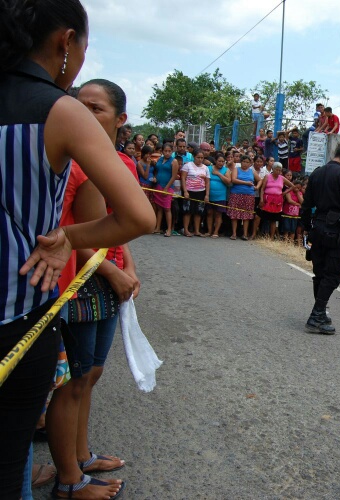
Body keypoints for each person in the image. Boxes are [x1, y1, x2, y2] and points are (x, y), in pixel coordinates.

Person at [0, 2, 154, 495]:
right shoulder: (57, 111)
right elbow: (138, 217)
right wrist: (68, 238)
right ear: (66, 42)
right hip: (20, 307)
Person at [48, 78, 144, 500]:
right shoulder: (77, 163)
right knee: (72, 381)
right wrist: (113, 271)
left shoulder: (120, 163)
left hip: (108, 277)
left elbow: (119, 226)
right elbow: (78, 236)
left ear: (121, 119)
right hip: (82, 282)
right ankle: (69, 479)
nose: (83, 114)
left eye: (97, 108)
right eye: (79, 104)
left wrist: (130, 265)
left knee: (92, 374)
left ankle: (82, 456)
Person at [301, 144, 340, 335]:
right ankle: (317, 314)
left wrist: (305, 227)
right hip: (335, 231)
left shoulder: (317, 173)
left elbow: (306, 204)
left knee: (320, 272)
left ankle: (319, 313)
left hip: (316, 228)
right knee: (334, 271)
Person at [258, 162, 294, 241]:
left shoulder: (282, 178)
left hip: (277, 200)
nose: (278, 172)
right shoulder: (267, 176)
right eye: (276, 170)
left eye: (279, 170)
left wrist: (284, 193)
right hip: (267, 199)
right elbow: (262, 189)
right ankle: (264, 234)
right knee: (265, 218)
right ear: (273, 169)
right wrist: (261, 199)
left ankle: (271, 237)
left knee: (274, 220)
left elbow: (292, 186)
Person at [228, 155, 260, 241]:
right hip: (236, 194)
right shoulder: (236, 169)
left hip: (249, 195)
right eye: (244, 162)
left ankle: (245, 234)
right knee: (234, 214)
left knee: (246, 215)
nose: (245, 164)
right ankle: (234, 233)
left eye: (247, 162)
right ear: (241, 162)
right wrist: (246, 183)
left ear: (250, 164)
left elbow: (260, 180)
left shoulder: (252, 171)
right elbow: (233, 180)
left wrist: (257, 187)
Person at [180, 150, 210, 237]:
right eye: (198, 157)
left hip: (201, 192)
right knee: (187, 211)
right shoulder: (187, 166)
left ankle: (197, 230)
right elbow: (183, 178)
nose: (200, 159)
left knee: (198, 212)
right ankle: (186, 230)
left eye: (202, 158)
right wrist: (185, 191)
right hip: (189, 191)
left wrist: (207, 195)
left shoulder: (205, 168)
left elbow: (207, 182)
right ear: (194, 157)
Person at [153, 143, 180, 236]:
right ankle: (157, 227)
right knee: (159, 208)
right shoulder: (160, 159)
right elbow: (157, 171)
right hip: (158, 186)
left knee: (167, 209)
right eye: (165, 151)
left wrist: (166, 188)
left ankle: (169, 229)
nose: (167, 153)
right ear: (162, 151)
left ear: (172, 152)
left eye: (169, 151)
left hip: (167, 188)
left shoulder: (174, 161)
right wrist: (155, 178)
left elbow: (173, 177)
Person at [206, 153, 232, 238]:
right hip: (209, 194)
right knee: (209, 213)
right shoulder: (209, 168)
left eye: (222, 161)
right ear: (215, 161)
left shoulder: (226, 170)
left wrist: (218, 174)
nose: (221, 163)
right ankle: (209, 231)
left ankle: (216, 232)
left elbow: (228, 181)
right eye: (219, 161)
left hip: (220, 196)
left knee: (218, 214)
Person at [281, 179, 304, 243]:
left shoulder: (299, 193)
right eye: (296, 187)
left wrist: (297, 193)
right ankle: (285, 242)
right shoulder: (288, 191)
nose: (297, 189)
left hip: (295, 215)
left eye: (299, 188)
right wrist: (297, 204)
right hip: (287, 213)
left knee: (292, 230)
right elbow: (289, 200)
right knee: (286, 229)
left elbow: (302, 201)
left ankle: (290, 243)